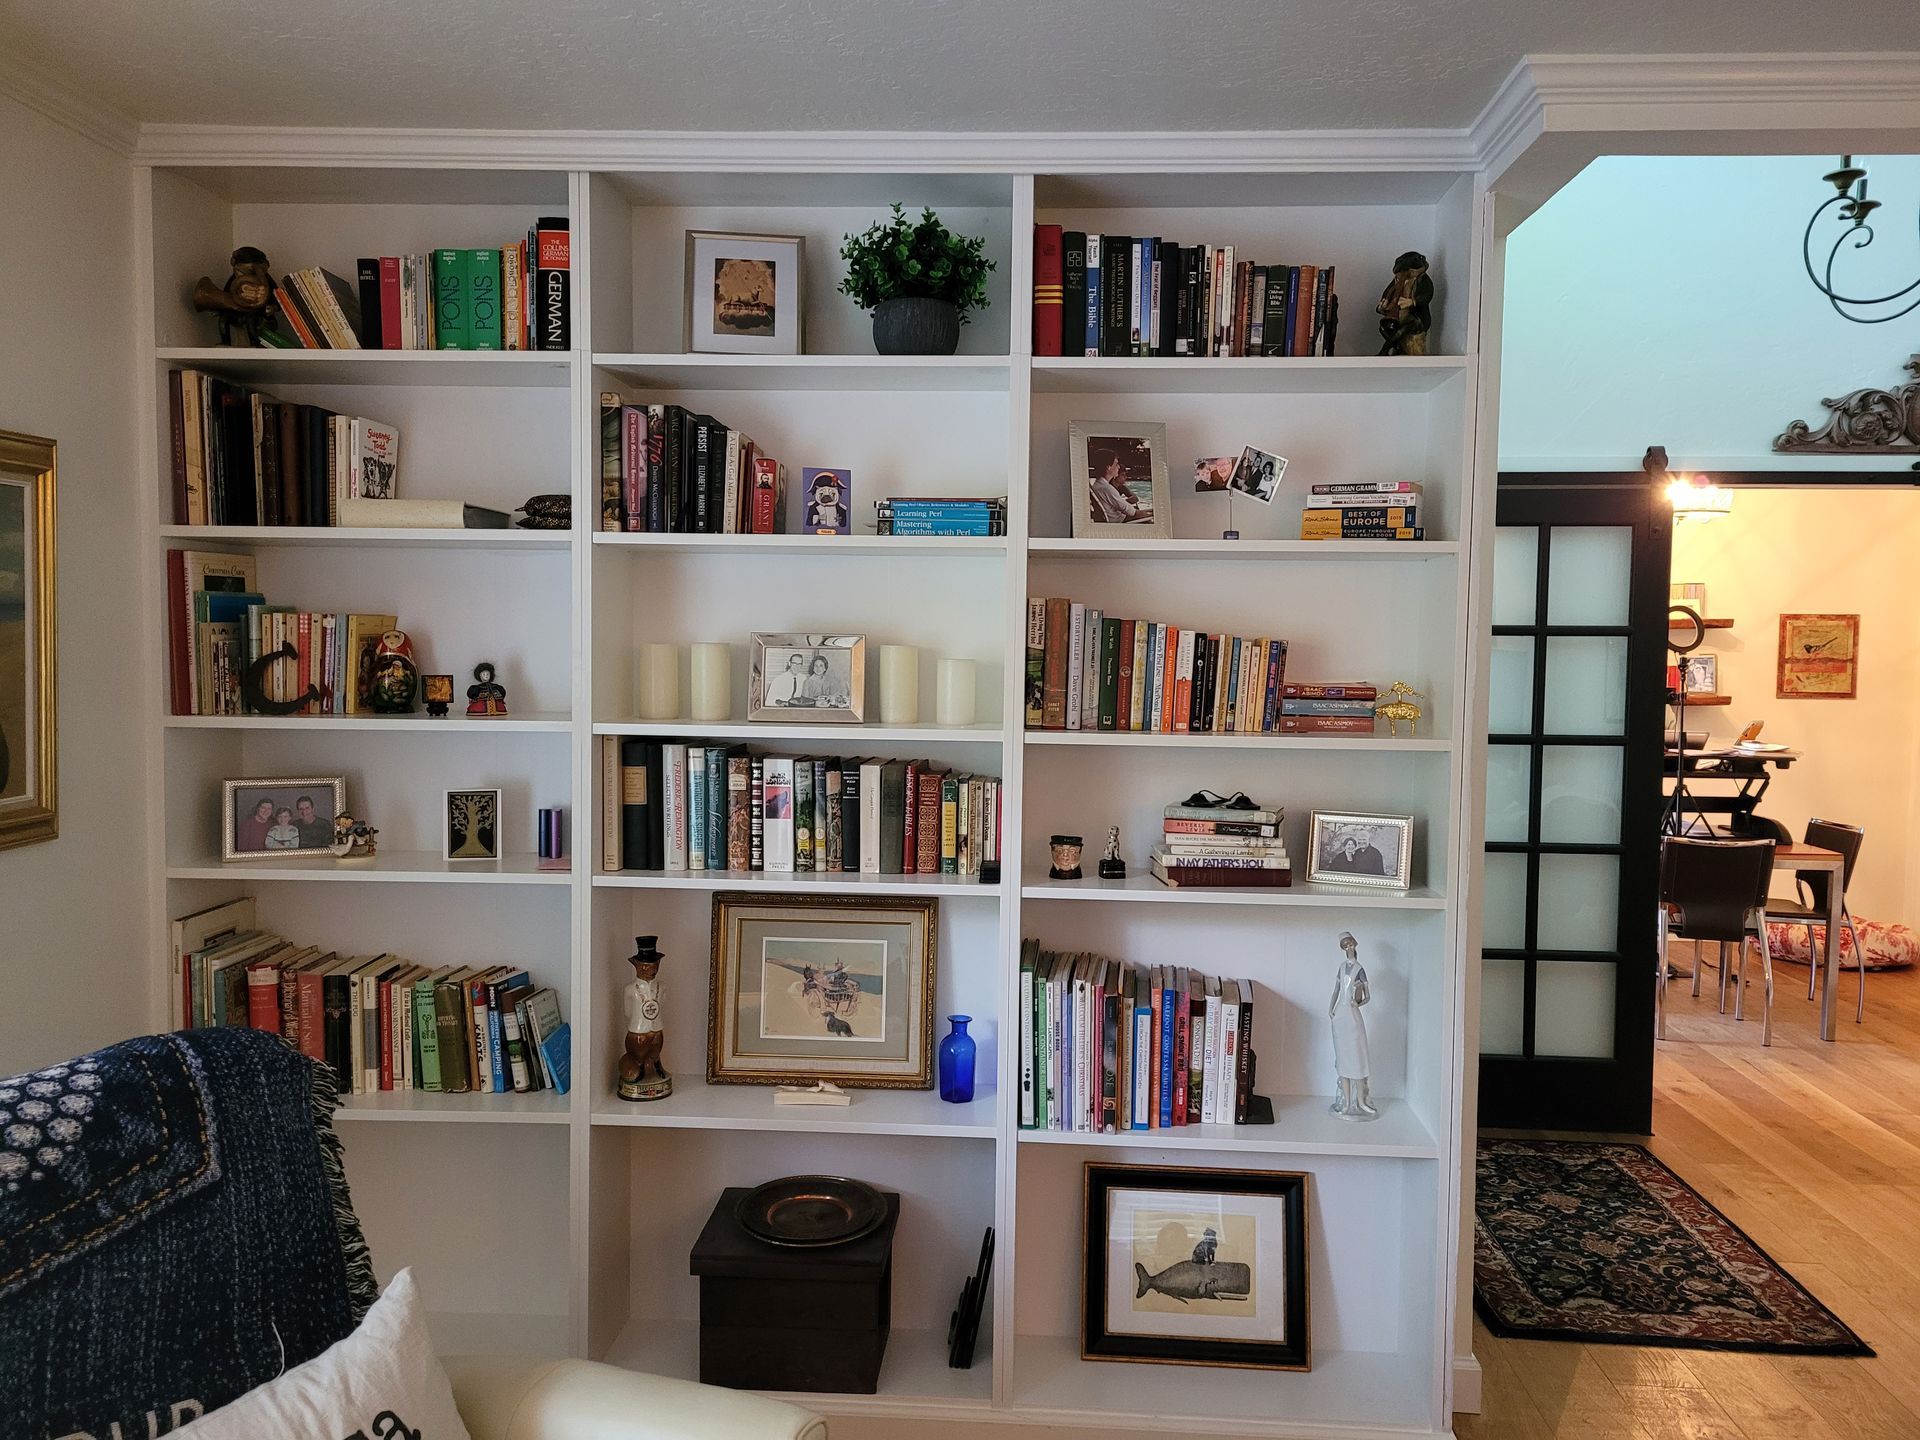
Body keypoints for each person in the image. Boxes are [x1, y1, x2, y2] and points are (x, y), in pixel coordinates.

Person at [1088, 446, 1151, 525]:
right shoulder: (1106, 489)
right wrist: (1151, 515)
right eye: (1116, 464)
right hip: (1125, 522)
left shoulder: (1097, 485)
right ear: (1108, 467)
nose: (1118, 467)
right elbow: (1132, 512)